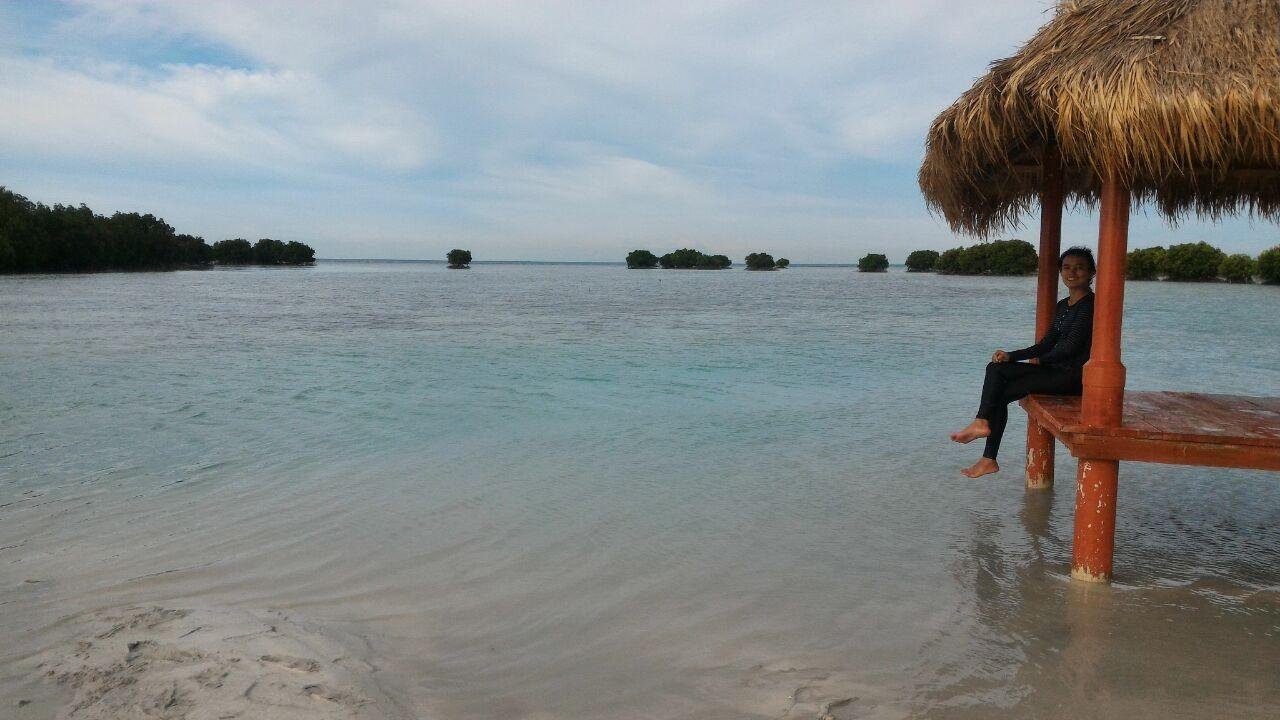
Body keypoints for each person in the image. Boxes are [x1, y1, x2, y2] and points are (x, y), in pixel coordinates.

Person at [950, 247, 1097, 478]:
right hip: (1054, 371)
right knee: (998, 376)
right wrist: (1012, 355)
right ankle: (987, 455)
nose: (1072, 272)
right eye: (1067, 267)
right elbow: (1047, 343)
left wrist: (1037, 364)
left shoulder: (1090, 305)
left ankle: (983, 432)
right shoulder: (1063, 306)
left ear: (1091, 272)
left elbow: (1071, 348)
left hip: (1072, 377)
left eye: (1079, 267)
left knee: (997, 377)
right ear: (1060, 271)